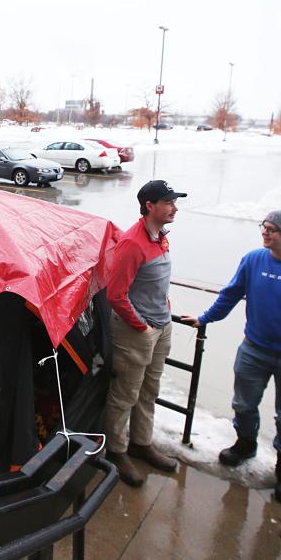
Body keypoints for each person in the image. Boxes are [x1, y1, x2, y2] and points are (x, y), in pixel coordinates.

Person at [182, 205, 281, 505]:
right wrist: (206, 318)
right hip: (254, 350)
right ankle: (245, 445)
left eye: (272, 229)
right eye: (263, 227)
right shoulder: (254, 260)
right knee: (243, 403)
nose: (265, 233)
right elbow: (231, 293)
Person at [103, 179, 186, 486]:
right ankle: (116, 450)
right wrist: (141, 325)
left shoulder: (161, 237)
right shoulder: (132, 243)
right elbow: (115, 295)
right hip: (137, 331)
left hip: (160, 326)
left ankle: (141, 442)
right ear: (150, 206)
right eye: (168, 202)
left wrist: (163, 309)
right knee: (126, 394)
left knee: (149, 390)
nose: (174, 207)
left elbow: (157, 282)